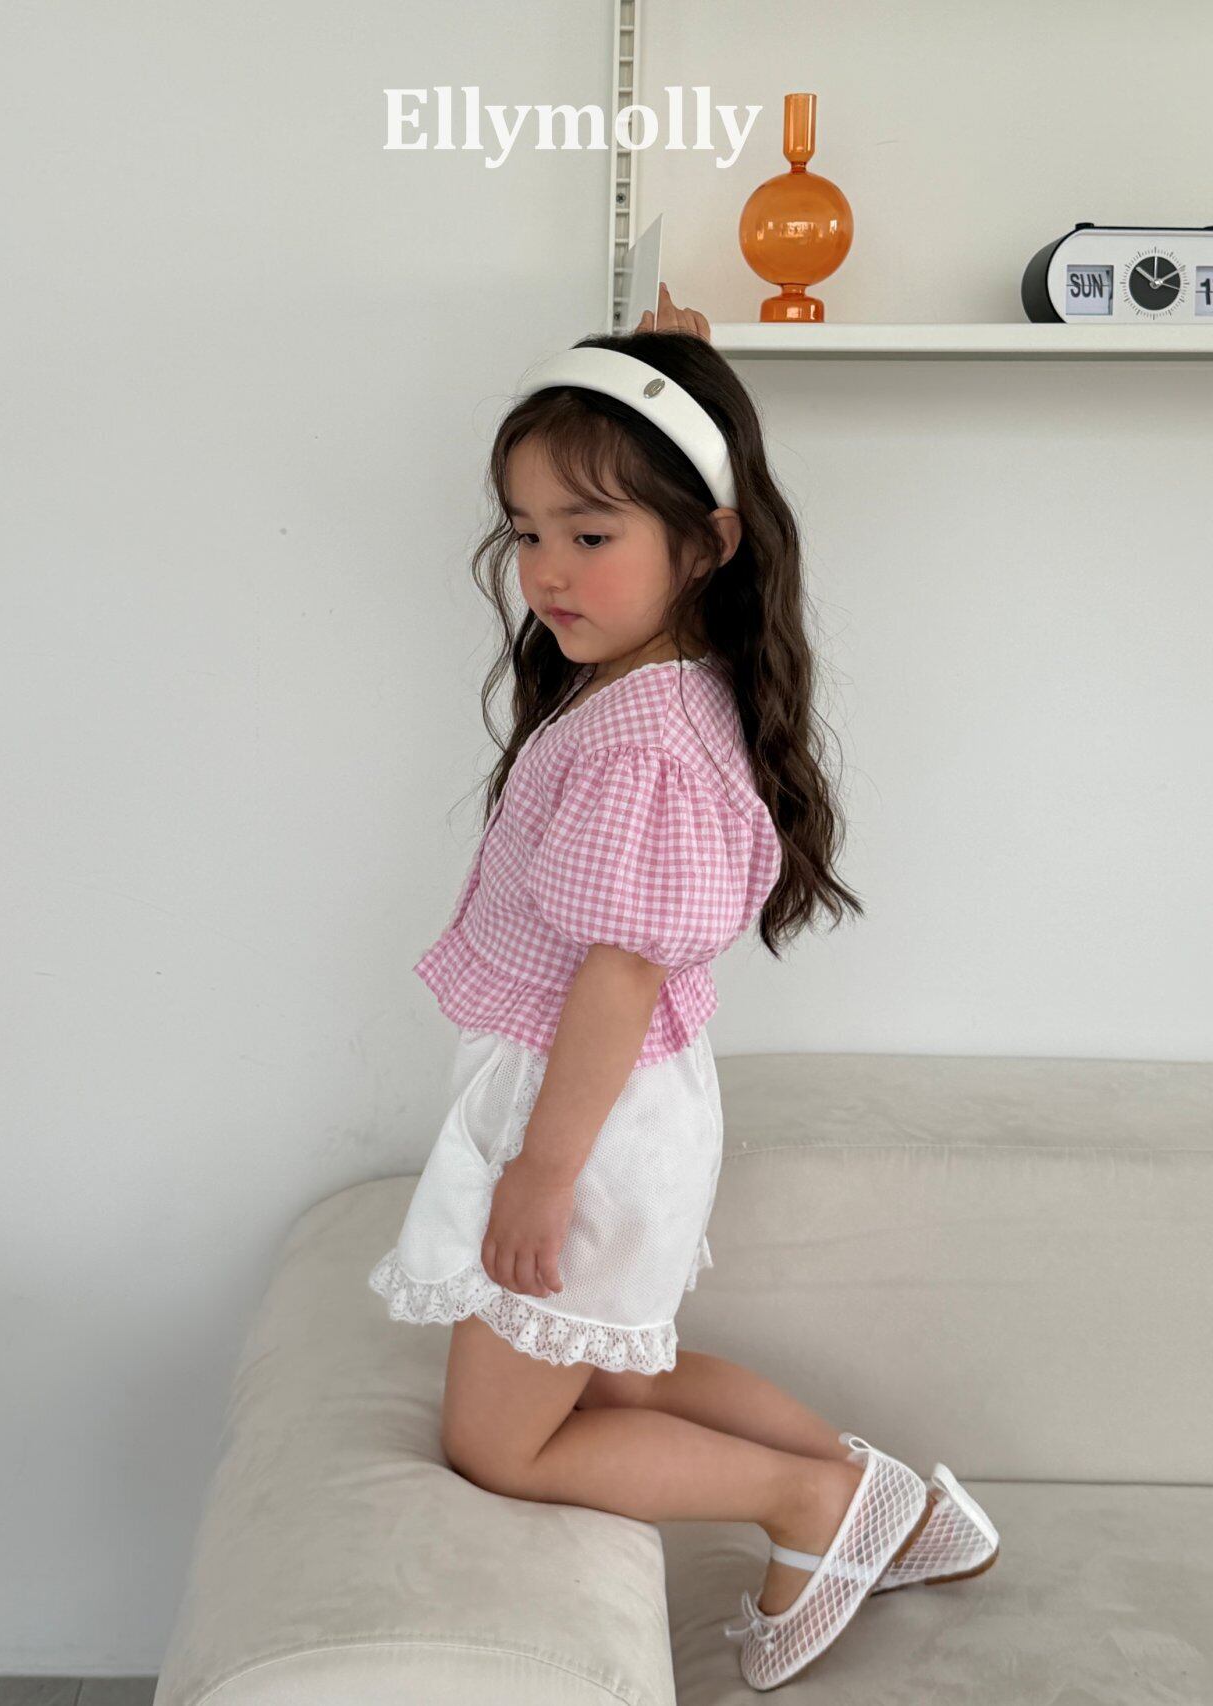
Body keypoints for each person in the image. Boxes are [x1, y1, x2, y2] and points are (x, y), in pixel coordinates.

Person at [368, 282, 999, 1688]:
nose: (548, 571)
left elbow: (616, 970)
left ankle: (809, 1504)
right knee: (625, 1373)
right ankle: (887, 1505)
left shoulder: (644, 738)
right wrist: (674, 375)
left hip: (588, 1108)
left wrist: (541, 1172)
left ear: (707, 543)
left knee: (501, 1441)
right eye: (528, 532)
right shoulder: (668, 684)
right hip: (618, 1098)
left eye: (591, 535)